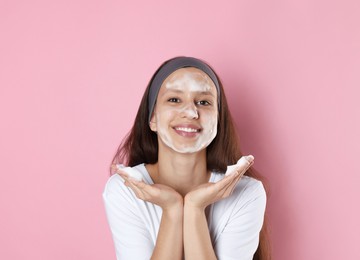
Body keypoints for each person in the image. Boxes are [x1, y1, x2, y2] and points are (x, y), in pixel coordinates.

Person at [103, 56, 270, 260]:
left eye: (203, 102)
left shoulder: (247, 193)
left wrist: (194, 208)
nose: (191, 112)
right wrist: (172, 209)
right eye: (174, 99)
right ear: (153, 118)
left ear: (217, 121)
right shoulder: (125, 190)